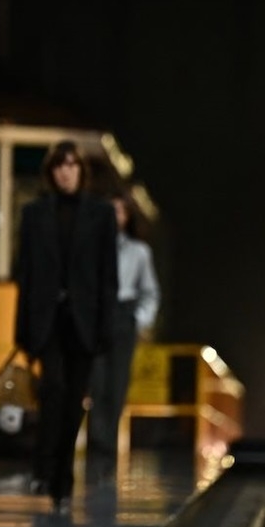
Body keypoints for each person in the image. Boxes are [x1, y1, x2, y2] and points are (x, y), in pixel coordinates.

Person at [14, 139, 118, 513]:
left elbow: (108, 276)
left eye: (72, 165)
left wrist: (107, 326)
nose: (66, 172)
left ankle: (61, 475)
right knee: (53, 389)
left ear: (81, 170)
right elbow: (25, 275)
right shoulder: (34, 213)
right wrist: (21, 330)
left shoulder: (101, 214)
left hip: (85, 322)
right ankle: (48, 469)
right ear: (51, 172)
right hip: (47, 320)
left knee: (74, 401)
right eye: (60, 165)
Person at [87, 190, 160, 481]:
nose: (114, 216)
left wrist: (138, 320)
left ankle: (107, 451)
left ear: (127, 216)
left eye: (119, 211)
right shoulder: (90, 246)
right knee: (96, 384)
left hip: (123, 315)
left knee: (117, 386)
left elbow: (150, 292)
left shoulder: (139, 252)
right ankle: (95, 447)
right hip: (96, 317)